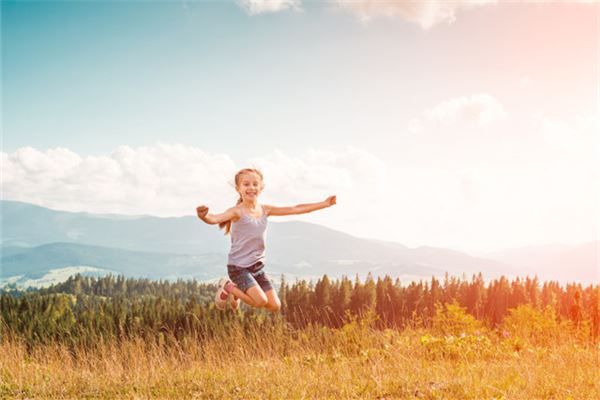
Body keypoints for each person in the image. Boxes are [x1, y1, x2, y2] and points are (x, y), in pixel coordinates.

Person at [196, 167, 336, 312]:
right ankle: (228, 286)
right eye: (246, 184)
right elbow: (215, 218)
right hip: (238, 268)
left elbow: (295, 208)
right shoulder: (236, 211)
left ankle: (239, 290)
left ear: (261, 187)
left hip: (257, 268)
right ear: (238, 188)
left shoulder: (265, 210)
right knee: (260, 301)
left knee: (275, 306)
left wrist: (324, 204)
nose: (251, 187)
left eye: (255, 184)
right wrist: (204, 216)